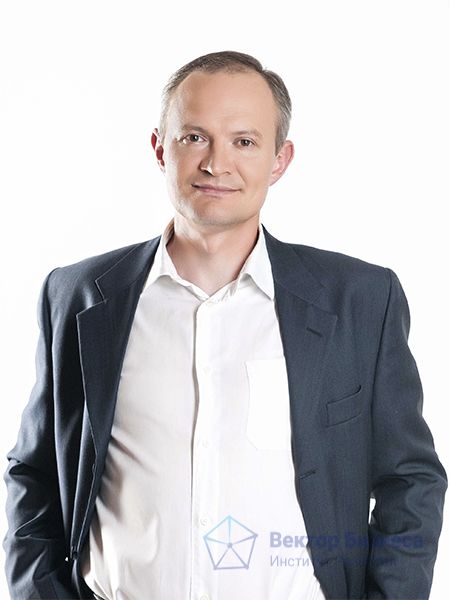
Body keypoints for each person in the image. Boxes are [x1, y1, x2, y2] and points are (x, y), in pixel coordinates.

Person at [3, 50, 446, 600]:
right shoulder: (78, 296)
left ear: (279, 160)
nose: (217, 163)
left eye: (244, 141)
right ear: (160, 148)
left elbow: (410, 480)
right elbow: (35, 472)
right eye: (194, 137)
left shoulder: (360, 301)